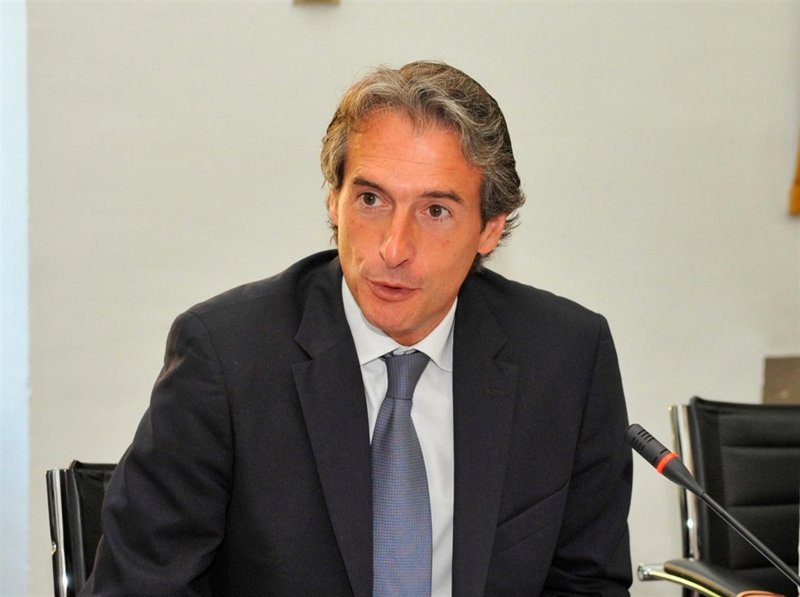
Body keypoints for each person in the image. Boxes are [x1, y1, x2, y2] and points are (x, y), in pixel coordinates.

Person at [84, 61, 632, 596]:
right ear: (334, 201)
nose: (394, 248)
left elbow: (586, 584)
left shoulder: (566, 358)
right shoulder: (226, 357)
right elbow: (138, 586)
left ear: (490, 228)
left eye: (435, 211)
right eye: (371, 200)